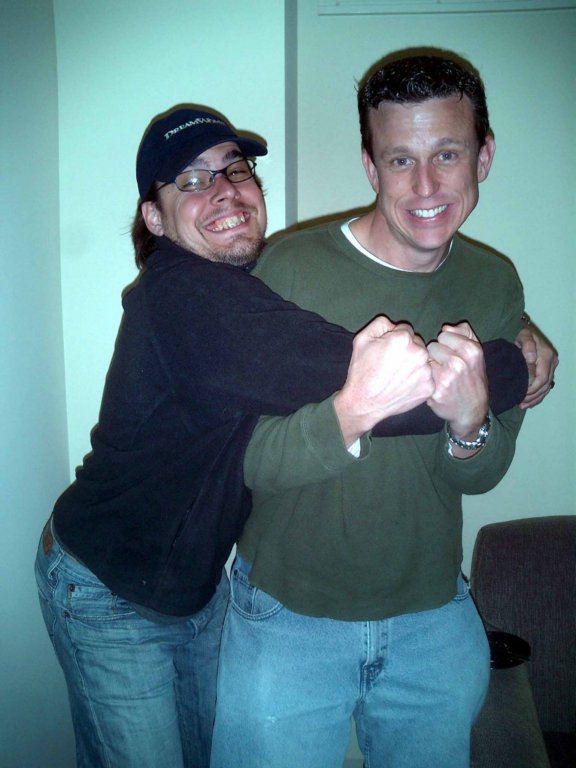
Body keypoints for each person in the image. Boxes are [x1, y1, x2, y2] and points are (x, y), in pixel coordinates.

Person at [34, 105, 551, 768]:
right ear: (154, 219)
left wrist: (518, 336)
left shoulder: (242, 288)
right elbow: (374, 382)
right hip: (109, 587)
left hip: (196, 589)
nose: (224, 190)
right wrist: (515, 365)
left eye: (235, 170)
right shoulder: (185, 300)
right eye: (190, 180)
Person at [210, 53, 558, 768]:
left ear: (484, 157)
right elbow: (242, 461)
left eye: (447, 154)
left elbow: (479, 476)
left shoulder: (496, 284)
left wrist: (470, 425)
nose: (425, 186)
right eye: (401, 159)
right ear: (371, 167)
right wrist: (353, 411)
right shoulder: (287, 270)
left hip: (431, 620)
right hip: (287, 618)